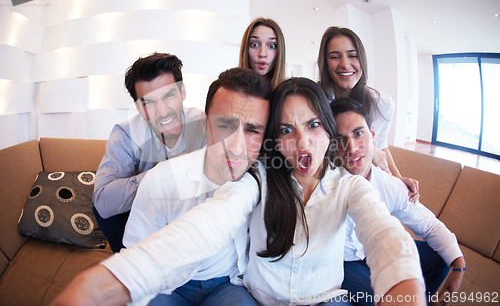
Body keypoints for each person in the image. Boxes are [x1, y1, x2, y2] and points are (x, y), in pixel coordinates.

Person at [50, 79, 425, 306]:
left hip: (309, 296)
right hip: (211, 290)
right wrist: (104, 283)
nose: (303, 140)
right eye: (287, 130)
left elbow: (382, 231)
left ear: (328, 130)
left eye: (313, 124)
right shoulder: (256, 179)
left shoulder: (351, 186)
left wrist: (404, 281)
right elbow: (208, 224)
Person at [122, 67, 270, 305]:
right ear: (204, 124)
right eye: (225, 125)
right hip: (168, 286)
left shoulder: (264, 182)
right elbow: (135, 257)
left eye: (252, 130)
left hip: (228, 285)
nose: (237, 147)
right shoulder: (161, 181)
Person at [330, 97, 466, 306]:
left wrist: (458, 264)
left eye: (358, 133)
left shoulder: (390, 184)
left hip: (377, 251)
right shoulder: (323, 182)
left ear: (373, 135)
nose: (352, 147)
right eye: (341, 139)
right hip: (345, 263)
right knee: (378, 297)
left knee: (439, 256)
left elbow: (429, 225)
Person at [92, 52, 207, 252]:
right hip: (148, 229)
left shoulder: (204, 123)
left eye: (169, 95)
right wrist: (168, 171)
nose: (162, 112)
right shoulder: (126, 134)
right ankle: (133, 269)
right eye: (149, 102)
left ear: (183, 92)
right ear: (138, 107)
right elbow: (103, 202)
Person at [317, 26, 418, 197]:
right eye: (335, 57)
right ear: (325, 64)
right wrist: (373, 152)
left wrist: (397, 179)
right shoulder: (315, 100)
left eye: (352, 55)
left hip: (364, 185)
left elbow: (382, 145)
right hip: (325, 183)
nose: (344, 64)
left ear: (362, 59)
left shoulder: (382, 104)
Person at [238, 17, 286, 89]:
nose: (262, 54)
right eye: (254, 44)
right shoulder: (230, 91)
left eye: (271, 46)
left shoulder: (286, 95)